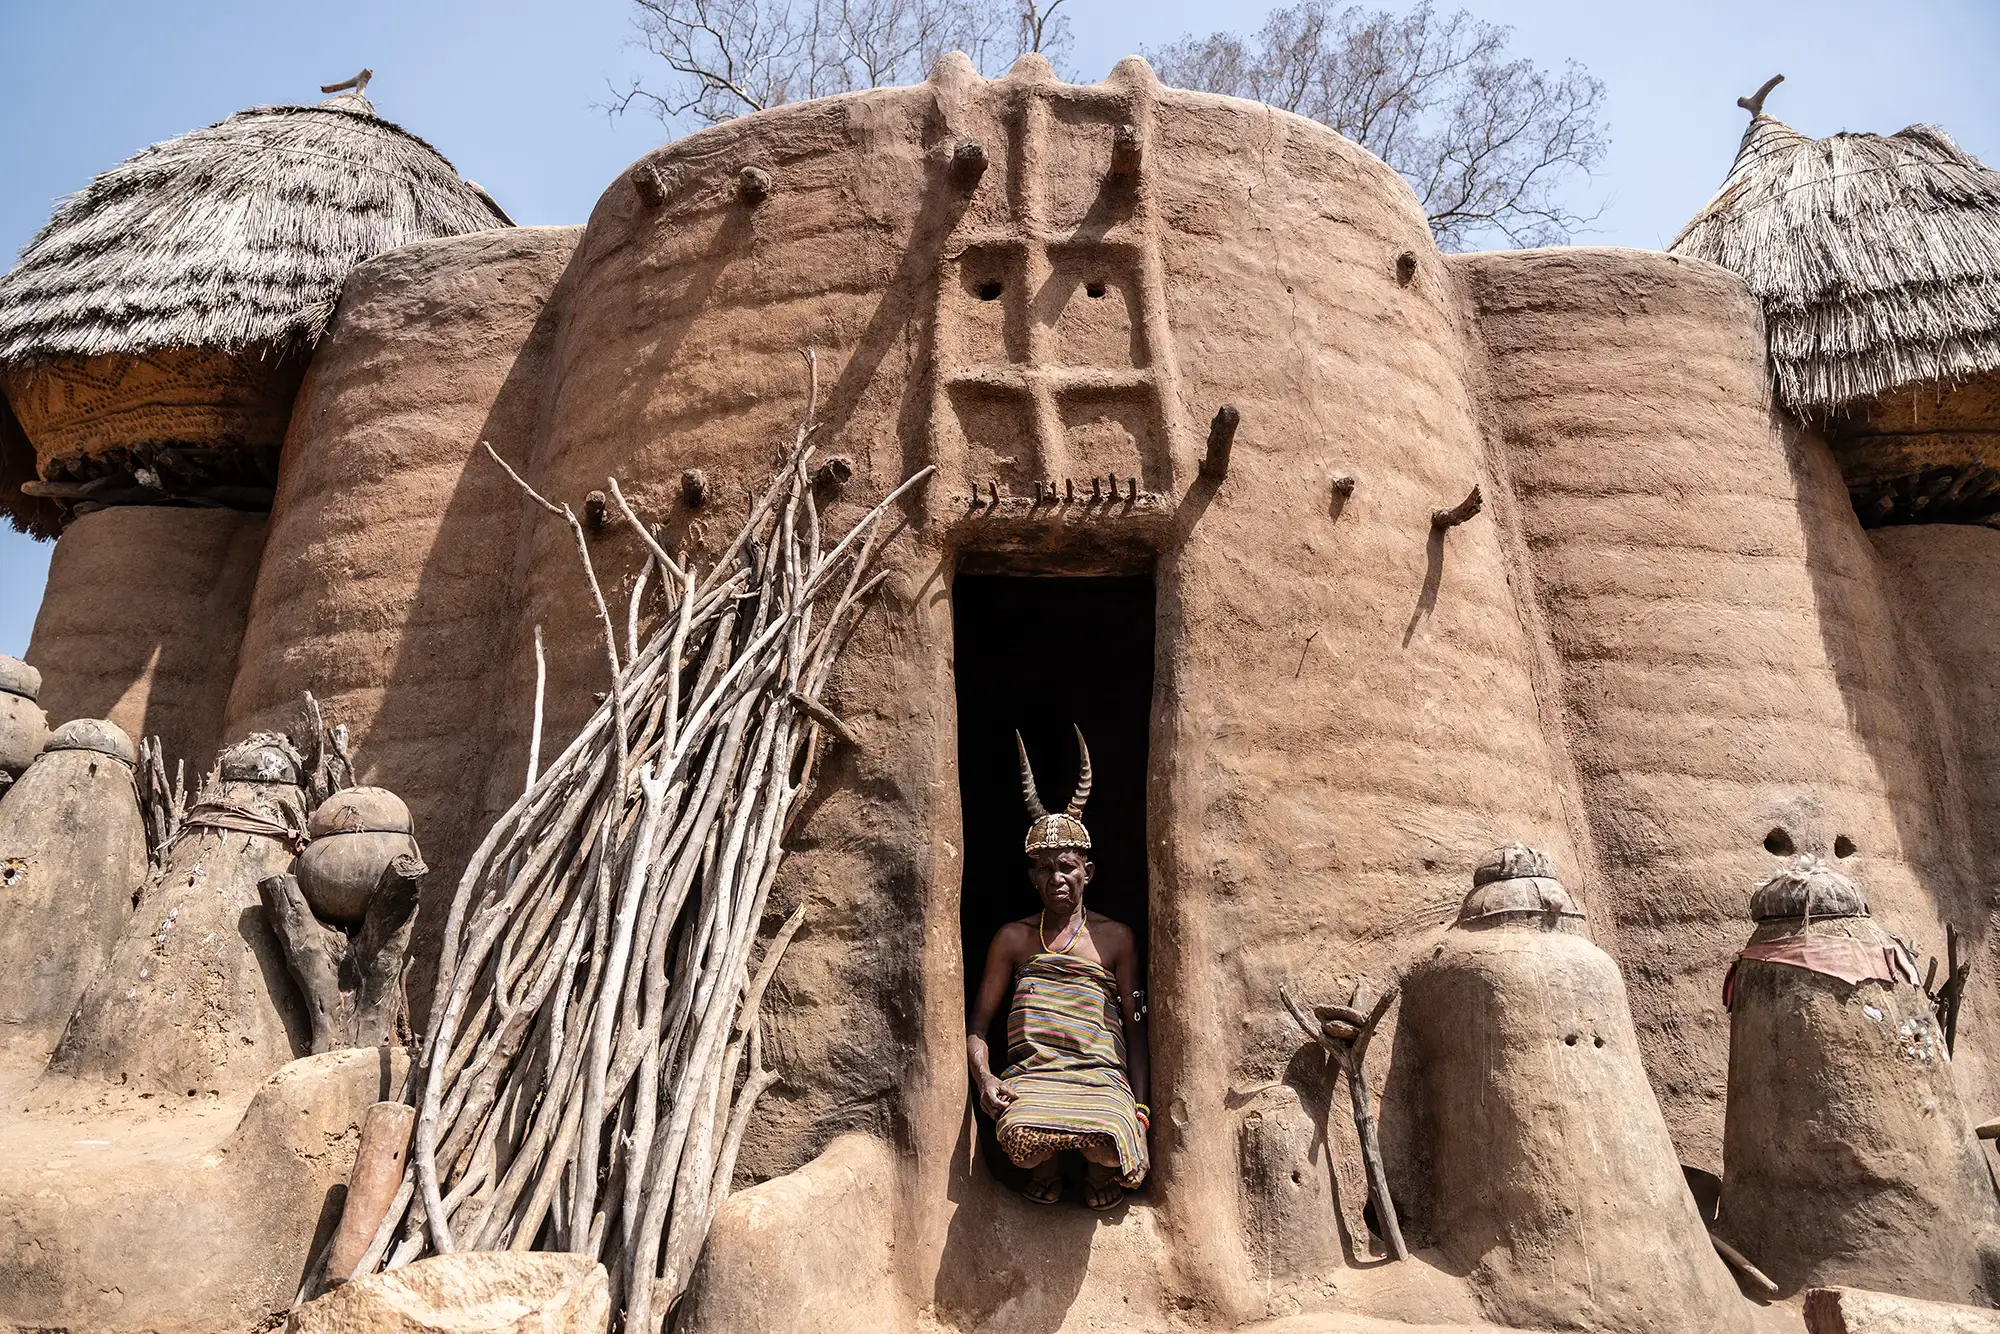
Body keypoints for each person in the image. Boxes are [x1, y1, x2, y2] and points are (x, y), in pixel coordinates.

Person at [966, 726, 1150, 1209]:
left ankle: (1096, 1171)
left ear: (1087, 872)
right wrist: (986, 1080)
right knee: (1021, 1138)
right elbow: (978, 1026)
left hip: (1100, 1080)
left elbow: (1136, 1026)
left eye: (1067, 866)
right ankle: (1046, 1169)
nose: (1057, 878)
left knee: (1109, 1143)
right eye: (1046, 869)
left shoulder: (1116, 938)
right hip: (1033, 1077)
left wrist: (1141, 1112)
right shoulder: (1013, 939)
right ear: (1032, 877)